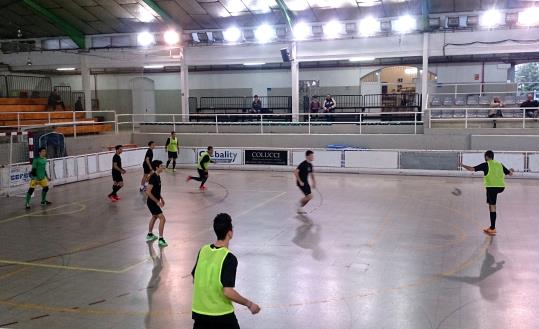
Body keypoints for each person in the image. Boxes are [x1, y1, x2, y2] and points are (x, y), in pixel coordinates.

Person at [191, 213, 261, 329]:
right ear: (230, 232)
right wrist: (249, 304)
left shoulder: (203, 250)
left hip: (199, 313)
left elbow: (195, 278)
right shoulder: (229, 258)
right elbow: (227, 292)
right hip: (221, 315)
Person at [461, 150, 514, 236]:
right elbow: (510, 173)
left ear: (486, 157)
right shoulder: (499, 164)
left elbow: (472, 169)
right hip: (501, 187)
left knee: (492, 206)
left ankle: (492, 228)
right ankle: (492, 227)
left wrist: (462, 165)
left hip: (492, 187)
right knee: (491, 205)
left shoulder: (486, 164)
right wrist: (511, 170)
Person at [145, 160, 168, 247]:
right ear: (157, 167)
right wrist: (157, 201)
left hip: (155, 201)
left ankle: (150, 235)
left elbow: (156, 190)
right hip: (152, 202)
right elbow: (148, 192)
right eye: (161, 165)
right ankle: (161, 239)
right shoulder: (153, 177)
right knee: (162, 219)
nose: (163, 167)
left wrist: (161, 198)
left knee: (154, 217)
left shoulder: (158, 176)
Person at [294, 150, 316, 214]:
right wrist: (300, 181)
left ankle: (300, 208)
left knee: (310, 196)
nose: (313, 157)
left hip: (306, 182)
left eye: (313, 156)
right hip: (301, 183)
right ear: (307, 156)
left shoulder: (310, 165)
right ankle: (298, 204)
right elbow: (295, 172)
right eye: (311, 156)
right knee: (308, 196)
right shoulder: (303, 164)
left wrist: (314, 182)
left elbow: (312, 174)